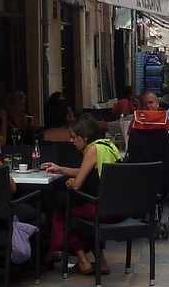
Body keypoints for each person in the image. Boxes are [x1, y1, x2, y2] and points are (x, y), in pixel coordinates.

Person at [44, 114, 123, 275]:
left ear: (85, 136)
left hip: (104, 210)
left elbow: (77, 184)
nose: (71, 141)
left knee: (63, 210)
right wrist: (60, 169)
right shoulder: (107, 146)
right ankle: (102, 262)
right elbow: (85, 171)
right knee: (79, 211)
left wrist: (70, 182)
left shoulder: (93, 149)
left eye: (74, 137)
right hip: (118, 207)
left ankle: (82, 261)